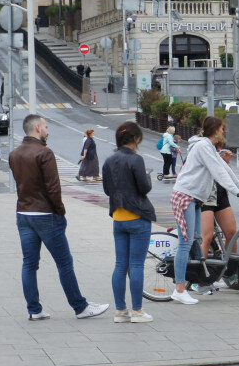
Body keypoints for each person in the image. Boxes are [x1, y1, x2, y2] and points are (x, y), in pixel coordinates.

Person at [10, 113, 109, 320]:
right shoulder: (44, 153)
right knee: (64, 262)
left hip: (23, 214)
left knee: (29, 263)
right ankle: (80, 307)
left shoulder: (15, 153)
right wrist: (60, 212)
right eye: (46, 126)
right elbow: (53, 188)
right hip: (46, 214)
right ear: (37, 128)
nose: (48, 130)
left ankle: (34, 310)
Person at [170, 117, 239, 305]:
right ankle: (179, 289)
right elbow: (217, 171)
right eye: (222, 129)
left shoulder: (208, 146)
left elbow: (225, 169)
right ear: (215, 131)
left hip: (195, 198)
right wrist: (237, 191)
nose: (224, 132)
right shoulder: (203, 146)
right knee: (186, 242)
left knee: (196, 240)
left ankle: (203, 282)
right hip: (185, 196)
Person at [102, 121, 155, 323]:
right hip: (137, 217)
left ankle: (120, 311)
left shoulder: (109, 161)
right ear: (135, 138)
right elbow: (144, 188)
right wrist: (147, 178)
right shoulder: (136, 160)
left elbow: (108, 190)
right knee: (137, 265)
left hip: (119, 218)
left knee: (120, 264)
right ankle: (138, 312)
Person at [198, 144, 239, 294]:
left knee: (231, 233)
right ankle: (201, 280)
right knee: (206, 237)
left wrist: (225, 163)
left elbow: (226, 175)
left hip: (220, 192)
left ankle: (226, 273)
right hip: (205, 194)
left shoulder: (217, 150)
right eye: (220, 130)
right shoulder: (200, 148)